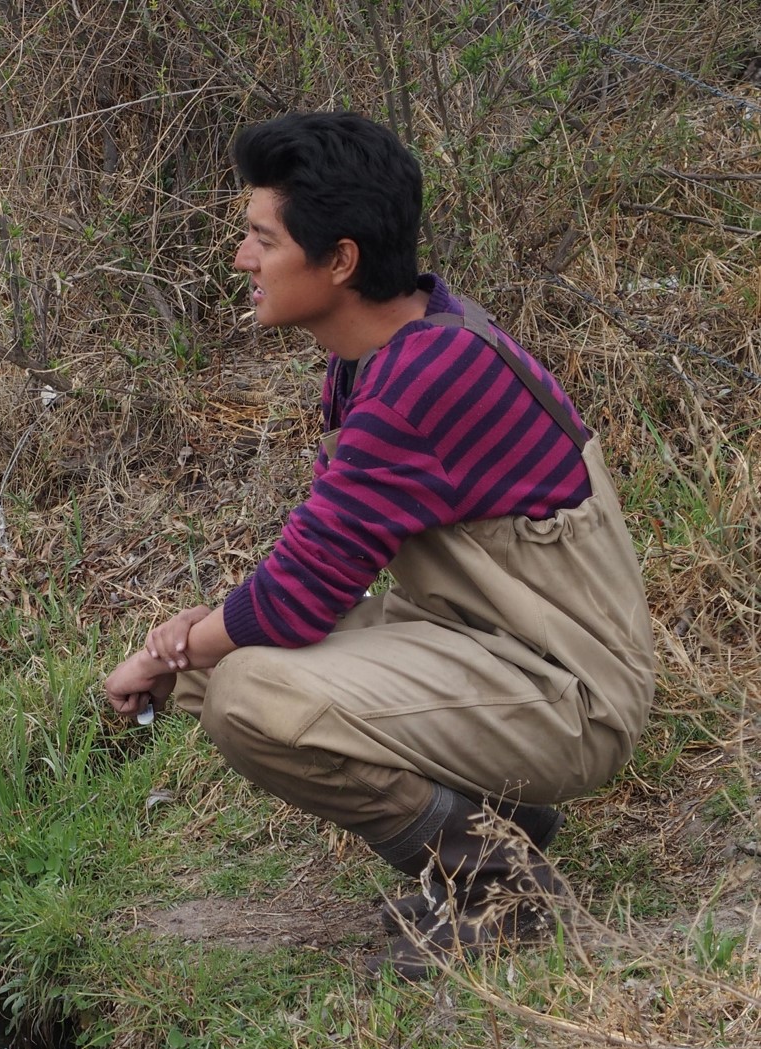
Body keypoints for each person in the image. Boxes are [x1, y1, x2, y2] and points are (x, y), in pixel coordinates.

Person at [103, 112, 655, 979]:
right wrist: (194, 641)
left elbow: (294, 602)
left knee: (245, 691)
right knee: (215, 666)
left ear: (341, 259)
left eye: (260, 239)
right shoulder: (386, 350)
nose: (241, 259)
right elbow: (316, 563)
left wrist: (161, 647)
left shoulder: (421, 379)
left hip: (571, 694)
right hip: (493, 644)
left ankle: (500, 888)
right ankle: (498, 821)